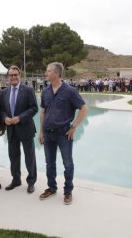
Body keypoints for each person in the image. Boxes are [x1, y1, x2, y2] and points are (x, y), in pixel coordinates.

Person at [38, 62, 87, 205]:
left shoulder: (70, 91)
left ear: (57, 73)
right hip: (48, 133)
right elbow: (43, 112)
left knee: (67, 164)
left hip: (63, 133)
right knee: (49, 163)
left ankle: (68, 191)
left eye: (48, 71)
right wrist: (41, 131)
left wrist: (74, 127)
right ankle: (52, 188)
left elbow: (83, 109)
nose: (46, 73)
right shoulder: (46, 91)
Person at [0, 65, 38, 194]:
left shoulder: (28, 90)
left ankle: (31, 182)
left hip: (26, 129)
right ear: (8, 77)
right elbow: (2, 110)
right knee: (14, 157)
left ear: (19, 76)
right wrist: (5, 118)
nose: (13, 77)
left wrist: (19, 118)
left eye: (15, 74)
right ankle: (16, 180)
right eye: (11, 75)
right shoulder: (4, 92)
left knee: (29, 157)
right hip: (11, 130)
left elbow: (34, 108)